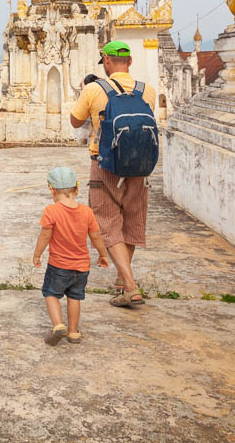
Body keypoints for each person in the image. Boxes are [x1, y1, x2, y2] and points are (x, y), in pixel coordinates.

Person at [69, 40, 157, 308]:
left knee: (107, 222)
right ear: (130, 62)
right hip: (139, 165)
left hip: (105, 163)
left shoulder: (95, 89)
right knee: (131, 221)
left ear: (106, 62)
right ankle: (122, 281)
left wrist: (84, 94)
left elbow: (75, 121)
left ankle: (129, 285)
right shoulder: (148, 91)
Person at [32, 166, 110, 345]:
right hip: (82, 267)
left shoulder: (51, 211)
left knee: (50, 293)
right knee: (75, 297)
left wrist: (37, 255)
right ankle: (74, 332)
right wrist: (103, 254)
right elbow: (96, 235)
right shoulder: (87, 212)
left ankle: (58, 325)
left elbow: (45, 235)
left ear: (52, 190)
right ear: (76, 189)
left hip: (59, 266)